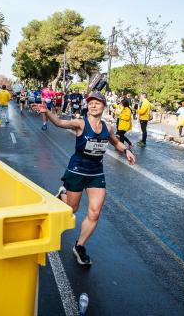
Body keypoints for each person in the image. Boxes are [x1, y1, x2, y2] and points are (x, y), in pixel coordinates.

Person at [33, 92, 136, 266]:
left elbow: (115, 142)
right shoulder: (81, 123)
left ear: (104, 106)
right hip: (77, 170)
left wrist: (126, 151)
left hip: (96, 172)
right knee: (72, 208)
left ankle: (79, 246)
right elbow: (60, 123)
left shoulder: (107, 127)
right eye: (91, 103)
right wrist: (47, 111)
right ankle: (63, 194)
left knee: (95, 212)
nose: (93, 106)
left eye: (97, 103)